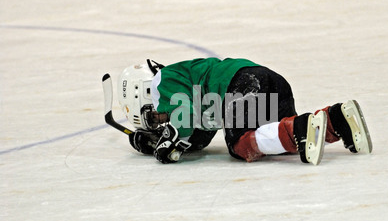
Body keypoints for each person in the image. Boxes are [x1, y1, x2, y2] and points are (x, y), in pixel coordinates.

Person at [116, 57, 372, 165]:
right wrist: (157, 143)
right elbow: (198, 137)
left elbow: (183, 119)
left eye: (152, 116)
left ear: (145, 90)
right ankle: (339, 119)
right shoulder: (188, 90)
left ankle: (301, 126)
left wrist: (170, 140)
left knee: (241, 145)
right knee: (281, 139)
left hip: (242, 85)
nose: (159, 121)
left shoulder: (162, 80)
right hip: (266, 80)